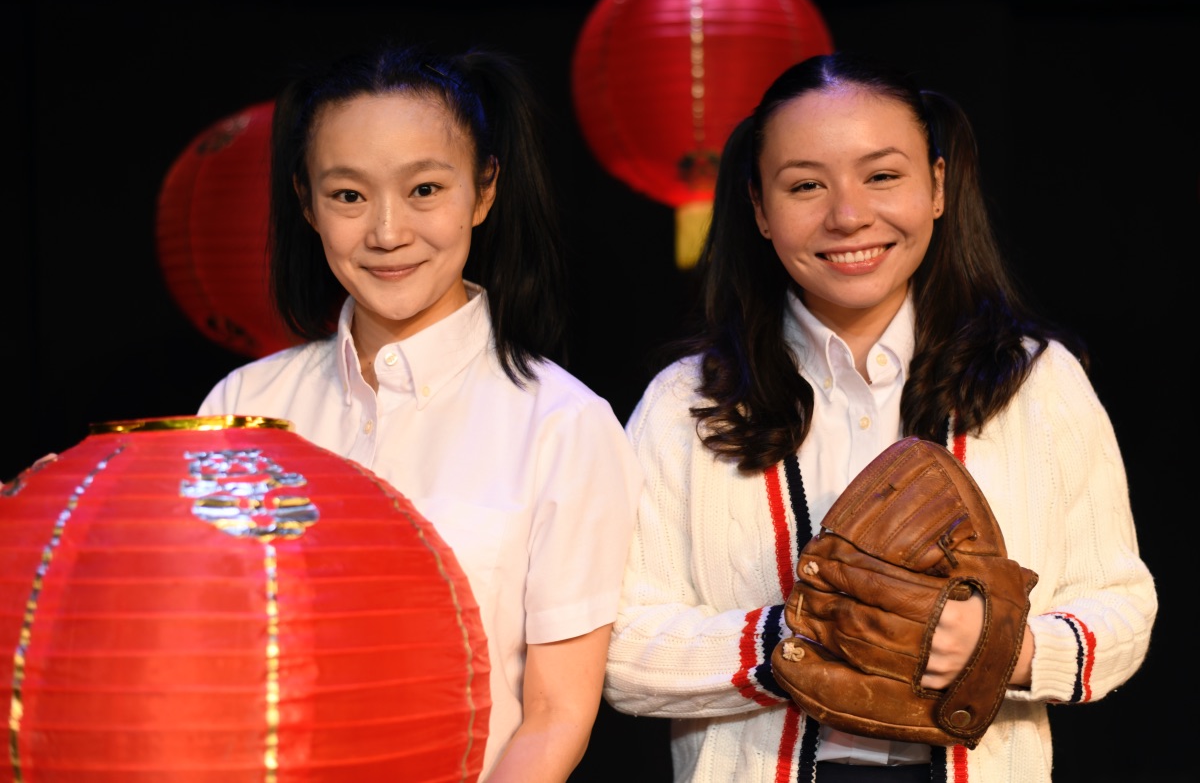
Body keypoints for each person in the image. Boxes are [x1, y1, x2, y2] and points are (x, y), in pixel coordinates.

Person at [603, 51, 1156, 783]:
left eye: (882, 175)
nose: (848, 214)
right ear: (761, 210)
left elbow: (1122, 604)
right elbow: (614, 646)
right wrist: (796, 635)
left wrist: (1001, 647)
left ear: (937, 185)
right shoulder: (687, 401)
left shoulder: (1034, 379)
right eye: (805, 185)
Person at [198, 43, 642, 782]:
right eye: (348, 196)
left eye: (425, 189)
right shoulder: (245, 406)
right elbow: (201, 647)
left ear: (484, 190)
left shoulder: (563, 424)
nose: (387, 231)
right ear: (306, 202)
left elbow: (557, 713)